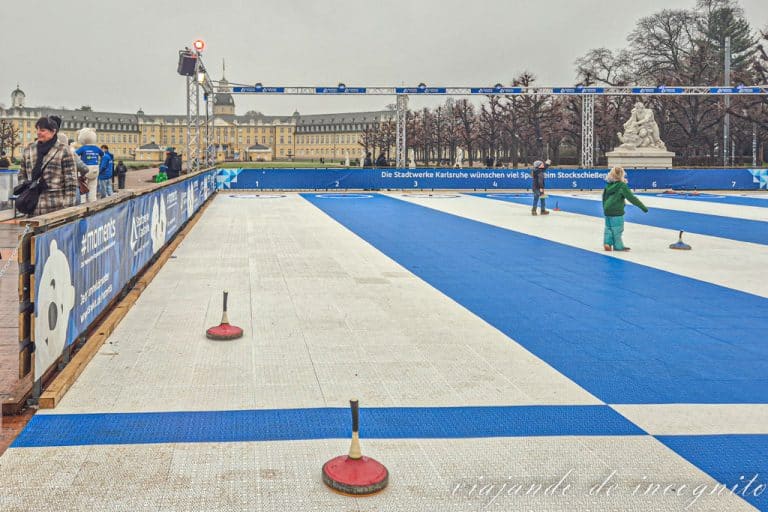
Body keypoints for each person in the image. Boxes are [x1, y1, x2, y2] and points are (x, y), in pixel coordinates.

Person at [18, 116, 77, 216]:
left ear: (53, 131)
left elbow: (71, 182)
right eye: (37, 129)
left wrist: (67, 208)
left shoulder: (64, 150)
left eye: (42, 130)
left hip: (55, 207)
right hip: (32, 206)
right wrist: (27, 187)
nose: (38, 132)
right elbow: (21, 174)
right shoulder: (29, 149)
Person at [602, 166, 648, 252]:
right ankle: (618, 246)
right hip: (617, 211)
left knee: (608, 227)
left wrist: (604, 207)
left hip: (607, 210)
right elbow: (632, 198)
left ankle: (607, 243)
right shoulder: (622, 186)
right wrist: (643, 207)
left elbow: (604, 197)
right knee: (617, 228)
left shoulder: (608, 185)